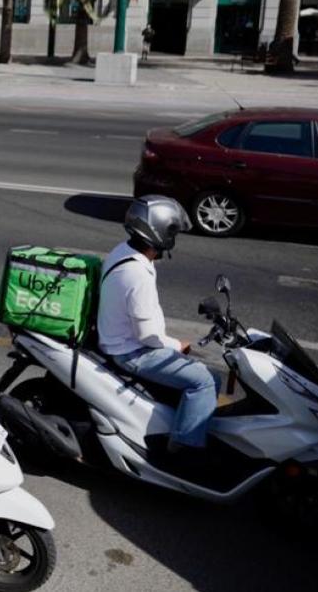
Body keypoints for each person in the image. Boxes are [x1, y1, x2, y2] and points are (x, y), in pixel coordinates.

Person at [98, 195, 215, 459]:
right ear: (160, 232)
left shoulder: (124, 251)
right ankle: (184, 450)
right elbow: (147, 336)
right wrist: (178, 345)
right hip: (132, 352)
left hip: (121, 340)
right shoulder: (137, 274)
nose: (174, 237)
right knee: (205, 382)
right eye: (172, 231)